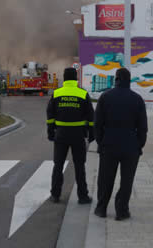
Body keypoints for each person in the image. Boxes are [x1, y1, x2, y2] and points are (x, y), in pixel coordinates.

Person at [93, 67, 148, 221]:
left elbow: (97, 124)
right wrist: (139, 145)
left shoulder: (105, 97)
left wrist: (101, 141)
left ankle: (101, 209)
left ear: (116, 79)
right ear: (129, 81)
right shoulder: (137, 99)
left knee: (105, 178)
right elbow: (143, 127)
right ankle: (121, 211)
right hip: (130, 145)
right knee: (127, 180)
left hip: (109, 143)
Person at [47, 67, 95, 204]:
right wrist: (91, 135)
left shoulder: (56, 93)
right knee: (80, 166)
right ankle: (82, 196)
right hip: (78, 135)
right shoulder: (82, 94)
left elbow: (50, 116)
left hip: (60, 135)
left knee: (58, 165)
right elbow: (91, 118)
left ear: (64, 78)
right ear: (75, 78)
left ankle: (55, 195)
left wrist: (51, 132)